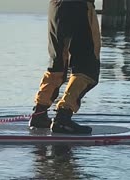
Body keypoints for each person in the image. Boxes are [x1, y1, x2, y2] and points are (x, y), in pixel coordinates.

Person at [29, 0, 101, 134]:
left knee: (57, 65)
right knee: (87, 68)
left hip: (57, 7)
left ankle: (39, 114)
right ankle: (63, 117)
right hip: (80, 8)